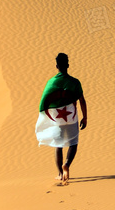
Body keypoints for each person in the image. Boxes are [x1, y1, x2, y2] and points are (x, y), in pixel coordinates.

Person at [34, 52, 87, 185]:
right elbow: (82, 100)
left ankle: (59, 173)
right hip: (71, 117)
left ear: (56, 66)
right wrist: (85, 117)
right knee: (73, 142)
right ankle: (67, 164)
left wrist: (45, 116)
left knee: (58, 145)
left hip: (57, 119)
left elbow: (45, 100)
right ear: (68, 65)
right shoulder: (75, 82)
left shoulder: (51, 82)